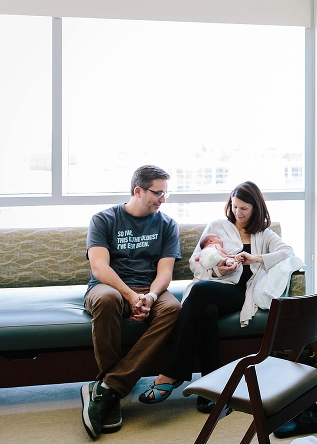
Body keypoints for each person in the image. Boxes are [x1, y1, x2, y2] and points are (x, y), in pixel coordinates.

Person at [138, 181, 295, 413]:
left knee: (201, 294)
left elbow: (288, 254)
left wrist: (256, 259)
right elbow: (196, 261)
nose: (237, 213)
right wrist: (217, 269)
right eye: (234, 207)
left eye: (244, 208)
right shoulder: (217, 226)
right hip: (212, 287)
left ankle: (172, 372)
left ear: (256, 208)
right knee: (207, 310)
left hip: (240, 293)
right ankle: (211, 388)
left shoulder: (265, 234)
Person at [80, 165, 182, 439]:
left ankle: (108, 389)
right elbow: (100, 269)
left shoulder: (167, 224)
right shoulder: (103, 219)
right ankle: (111, 390)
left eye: (165, 194)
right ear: (138, 190)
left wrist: (149, 296)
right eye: (158, 193)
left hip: (148, 289)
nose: (162, 199)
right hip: (109, 287)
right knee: (107, 300)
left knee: (173, 308)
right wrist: (130, 295)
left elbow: (165, 273)